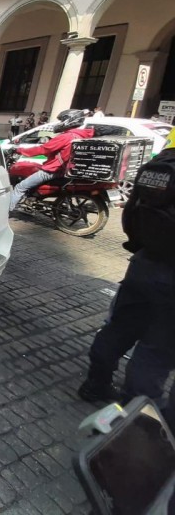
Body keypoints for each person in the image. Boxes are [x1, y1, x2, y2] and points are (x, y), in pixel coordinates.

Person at [78, 138, 175, 432]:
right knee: (156, 351)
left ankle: (95, 384)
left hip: (143, 265)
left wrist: (142, 247)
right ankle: (135, 418)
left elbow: (131, 211)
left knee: (119, 327)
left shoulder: (163, 162)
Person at [9, 110, 94, 211]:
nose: (60, 123)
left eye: (62, 120)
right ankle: (32, 197)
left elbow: (43, 149)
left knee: (20, 187)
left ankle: (5, 213)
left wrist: (19, 150)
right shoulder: (80, 135)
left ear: (69, 120)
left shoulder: (66, 137)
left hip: (53, 171)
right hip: (66, 170)